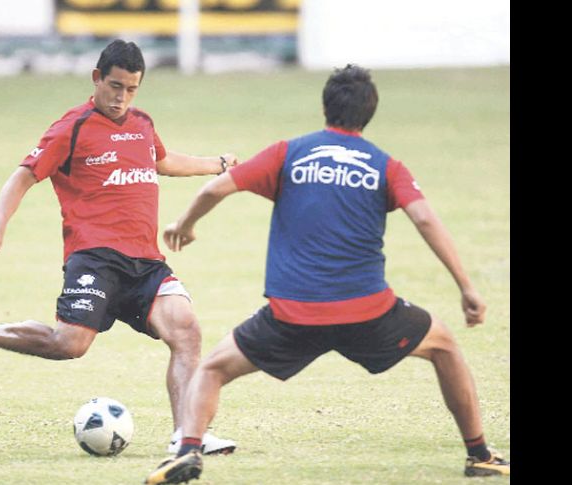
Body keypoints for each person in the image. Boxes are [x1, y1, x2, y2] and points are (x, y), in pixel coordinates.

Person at [144, 64, 509, 484]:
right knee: (444, 346)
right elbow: (425, 219)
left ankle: (188, 451)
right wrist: (466, 286)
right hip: (369, 312)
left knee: (211, 370)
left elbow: (216, 187)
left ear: (325, 108)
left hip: (292, 315)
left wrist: (185, 224)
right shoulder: (385, 166)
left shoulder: (289, 153)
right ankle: (479, 454)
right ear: (369, 114)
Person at [0, 39, 237, 455]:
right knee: (68, 345)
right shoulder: (73, 127)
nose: (121, 98)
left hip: (145, 262)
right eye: (115, 86)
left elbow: (161, 160)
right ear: (97, 78)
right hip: (95, 258)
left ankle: (187, 437)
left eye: (131, 89)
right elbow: (23, 175)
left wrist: (217, 164)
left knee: (187, 330)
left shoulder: (141, 123)